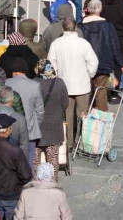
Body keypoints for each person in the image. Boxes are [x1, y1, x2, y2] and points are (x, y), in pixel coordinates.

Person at [49, 14, 99, 149]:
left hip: (64, 85)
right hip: (82, 85)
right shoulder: (83, 44)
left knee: (67, 115)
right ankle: (81, 141)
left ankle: (69, 143)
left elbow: (51, 64)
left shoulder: (56, 44)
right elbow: (93, 62)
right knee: (82, 115)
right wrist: (89, 74)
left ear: (63, 28)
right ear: (75, 28)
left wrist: (57, 76)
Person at [33, 58, 68, 182]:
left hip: (37, 127)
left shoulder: (34, 83)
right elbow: (65, 104)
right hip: (54, 127)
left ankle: (35, 184)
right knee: (53, 159)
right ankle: (53, 184)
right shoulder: (59, 83)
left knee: (35, 160)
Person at [5, 57, 44, 167]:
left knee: (10, 162)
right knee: (28, 162)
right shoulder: (34, 85)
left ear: (13, 71)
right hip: (29, 130)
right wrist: (36, 125)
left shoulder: (6, 83)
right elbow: (40, 110)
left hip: (9, 131)